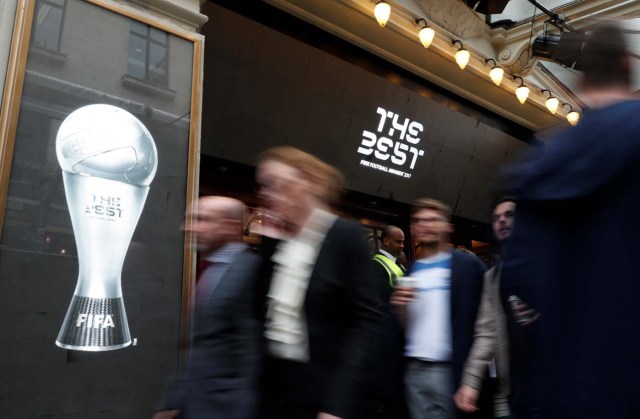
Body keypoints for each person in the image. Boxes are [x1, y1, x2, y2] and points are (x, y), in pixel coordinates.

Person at [499, 22, 640, 419]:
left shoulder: (545, 161)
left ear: (580, 80)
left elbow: (518, 275)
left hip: (564, 385)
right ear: (627, 64)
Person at [255, 146, 384, 419]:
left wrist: (337, 404)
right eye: (265, 187)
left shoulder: (344, 235)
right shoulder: (278, 240)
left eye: (278, 185)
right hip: (276, 394)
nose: (268, 195)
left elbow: (365, 323)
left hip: (323, 395)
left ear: (309, 182)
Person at [153, 196, 262, 419]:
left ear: (229, 226)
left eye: (200, 219)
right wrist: (173, 400)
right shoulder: (208, 271)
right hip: (194, 404)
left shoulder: (252, 272)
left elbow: (252, 356)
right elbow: (197, 346)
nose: (187, 227)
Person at [391, 198, 486, 419]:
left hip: (451, 371)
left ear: (448, 226)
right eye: (419, 220)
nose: (426, 225)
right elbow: (406, 328)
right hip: (415, 370)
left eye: (433, 220)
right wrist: (400, 308)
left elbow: (485, 325)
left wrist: (472, 378)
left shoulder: (467, 266)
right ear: (413, 228)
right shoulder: (412, 272)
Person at [454, 197, 516, 418]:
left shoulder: (547, 263)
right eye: (496, 218)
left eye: (509, 215)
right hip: (509, 392)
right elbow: (487, 333)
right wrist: (470, 381)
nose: (502, 221)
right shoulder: (492, 278)